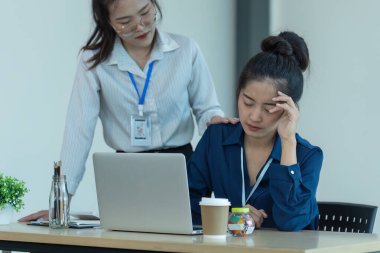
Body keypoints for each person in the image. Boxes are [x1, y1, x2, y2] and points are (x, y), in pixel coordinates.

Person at [19, 0, 238, 222]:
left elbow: (207, 110)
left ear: (154, 4)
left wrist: (216, 121)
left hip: (181, 166)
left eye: (145, 13)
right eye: (125, 21)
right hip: (126, 170)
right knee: (127, 238)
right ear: (107, 22)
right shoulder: (94, 62)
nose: (140, 26)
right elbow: (78, 131)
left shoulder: (186, 50)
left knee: (183, 237)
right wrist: (61, 203)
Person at [187, 31, 323, 231]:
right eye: (247, 102)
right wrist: (230, 219)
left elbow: (292, 221)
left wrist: (287, 142)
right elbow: (188, 203)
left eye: (268, 108)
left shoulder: (307, 155)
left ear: (289, 108)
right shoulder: (216, 138)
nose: (254, 116)